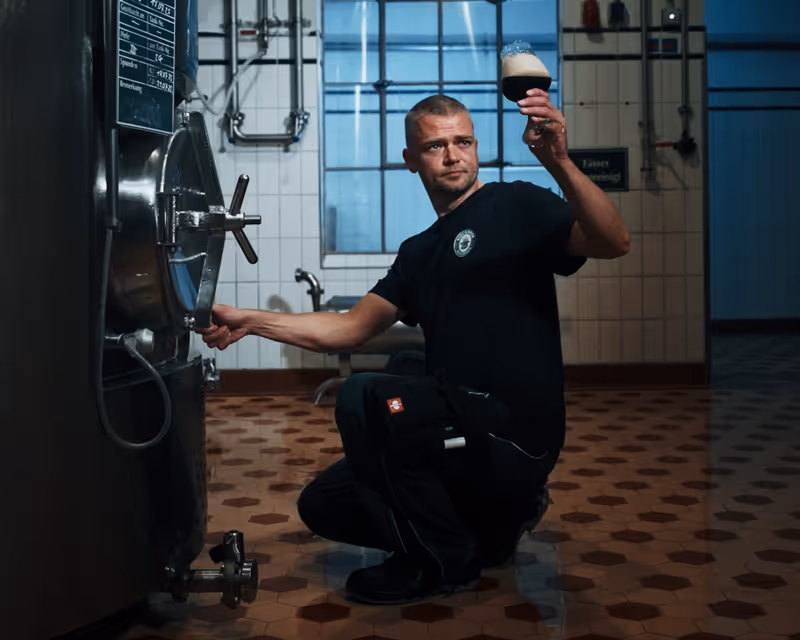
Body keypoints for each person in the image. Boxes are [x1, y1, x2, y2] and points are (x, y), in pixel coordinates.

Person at [198, 90, 630, 605]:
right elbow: (349, 329)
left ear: (476, 147)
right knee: (325, 503)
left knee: (364, 396)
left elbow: (613, 241)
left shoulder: (517, 203)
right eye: (435, 146)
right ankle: (493, 526)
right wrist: (251, 320)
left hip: (512, 431)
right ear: (410, 160)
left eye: (463, 141)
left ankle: (439, 560)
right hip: (457, 426)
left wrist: (558, 160)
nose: (453, 155)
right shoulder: (419, 251)